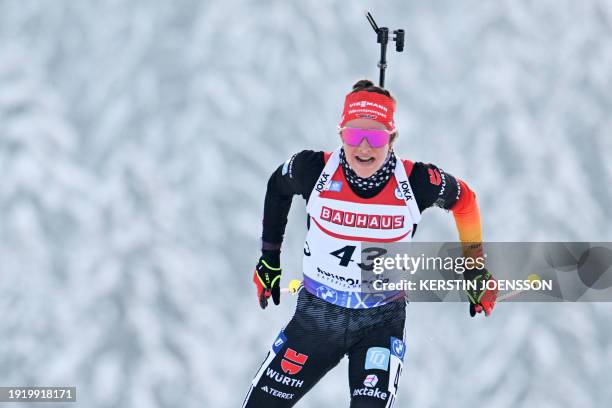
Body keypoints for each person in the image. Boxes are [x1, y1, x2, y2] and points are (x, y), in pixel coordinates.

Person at [242, 79, 497, 408]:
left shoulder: (417, 181)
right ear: (341, 135)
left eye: (375, 136)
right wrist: (269, 260)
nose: (364, 147)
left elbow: (466, 202)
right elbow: (277, 188)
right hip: (316, 320)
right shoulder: (313, 169)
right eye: (353, 135)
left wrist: (475, 270)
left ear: (392, 138)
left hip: (380, 322)